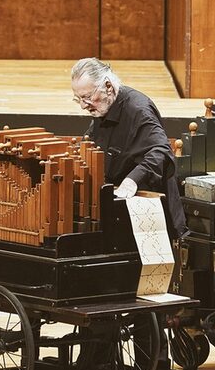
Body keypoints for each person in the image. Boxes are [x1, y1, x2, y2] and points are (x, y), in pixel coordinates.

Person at [71, 57, 187, 238]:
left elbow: (162, 152)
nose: (83, 105)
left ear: (108, 86)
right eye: (78, 99)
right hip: (120, 212)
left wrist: (132, 180)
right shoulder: (102, 107)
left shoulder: (139, 110)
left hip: (151, 216)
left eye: (87, 97)